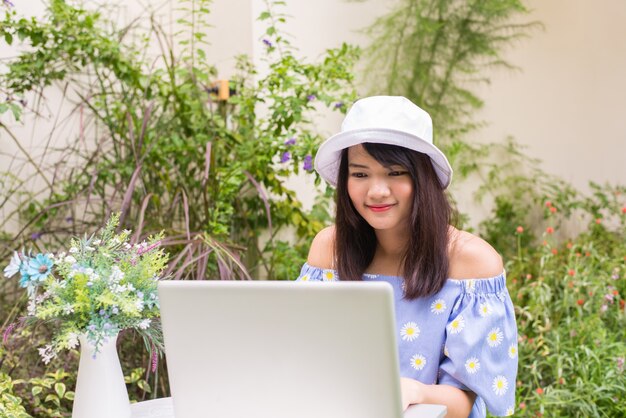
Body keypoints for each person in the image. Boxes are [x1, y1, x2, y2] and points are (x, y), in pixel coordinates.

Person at [296, 96, 518, 418]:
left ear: (422, 178)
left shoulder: (471, 262)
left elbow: (466, 401)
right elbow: (303, 356)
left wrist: (415, 391)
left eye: (395, 172)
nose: (377, 191)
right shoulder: (329, 249)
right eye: (360, 175)